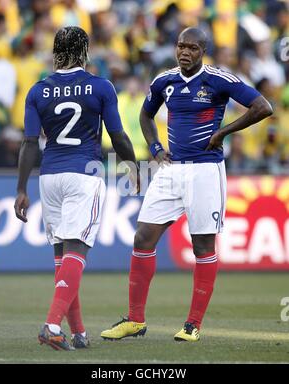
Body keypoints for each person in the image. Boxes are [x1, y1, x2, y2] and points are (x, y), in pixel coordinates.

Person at [101, 27, 273, 342]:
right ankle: (135, 320)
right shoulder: (164, 81)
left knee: (203, 246)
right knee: (142, 238)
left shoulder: (220, 80)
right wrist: (154, 148)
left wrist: (223, 132)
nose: (184, 52)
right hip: (170, 169)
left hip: (206, 171)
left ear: (202, 51)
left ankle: (193, 324)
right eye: (181, 45)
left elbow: (263, 107)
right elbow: (145, 115)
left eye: (192, 47)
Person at [14, 26, 138, 351]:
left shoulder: (38, 90)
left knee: (62, 257)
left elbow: (29, 144)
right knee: (77, 252)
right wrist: (133, 167)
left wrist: (21, 188)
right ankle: (52, 325)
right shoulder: (101, 86)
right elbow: (118, 136)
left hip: (49, 176)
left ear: (55, 52)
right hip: (84, 173)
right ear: (85, 52)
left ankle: (79, 332)